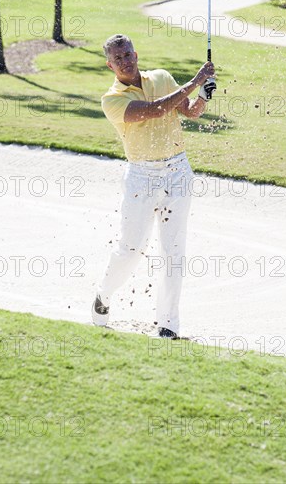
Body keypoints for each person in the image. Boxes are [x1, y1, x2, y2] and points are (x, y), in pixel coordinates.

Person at [92, 34, 215, 339]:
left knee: (174, 251)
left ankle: (168, 325)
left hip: (177, 171)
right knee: (131, 249)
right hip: (142, 177)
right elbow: (156, 110)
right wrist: (196, 79)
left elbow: (188, 111)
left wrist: (204, 96)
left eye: (127, 54)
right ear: (110, 65)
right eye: (117, 58)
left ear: (135, 53)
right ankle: (103, 296)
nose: (124, 61)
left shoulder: (161, 77)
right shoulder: (112, 99)